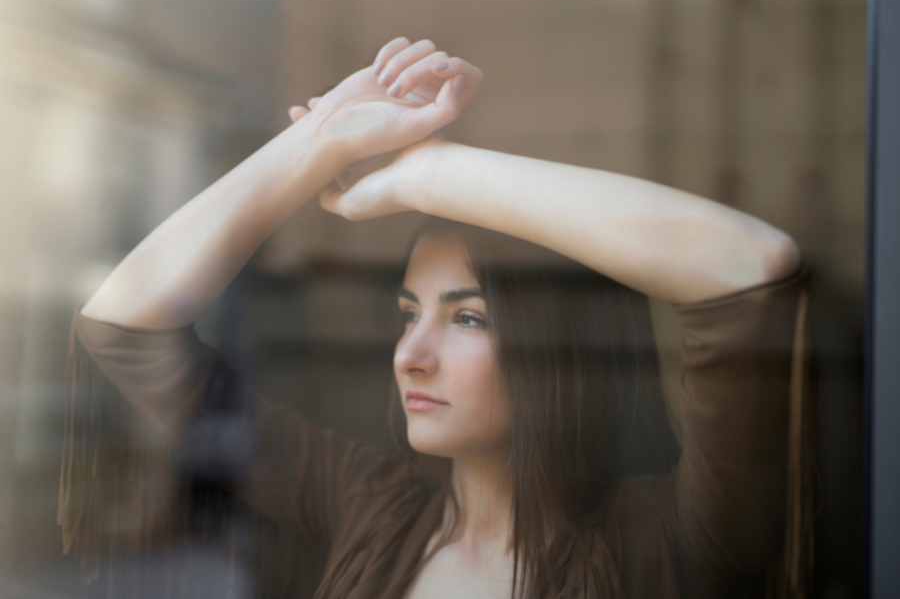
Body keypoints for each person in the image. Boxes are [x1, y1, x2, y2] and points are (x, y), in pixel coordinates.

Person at [58, 38, 817, 599]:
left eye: (469, 320)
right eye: (408, 313)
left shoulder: (669, 544)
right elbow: (123, 326)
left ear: (559, 347)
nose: (409, 356)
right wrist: (322, 142)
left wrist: (428, 173)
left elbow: (751, 267)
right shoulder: (373, 509)